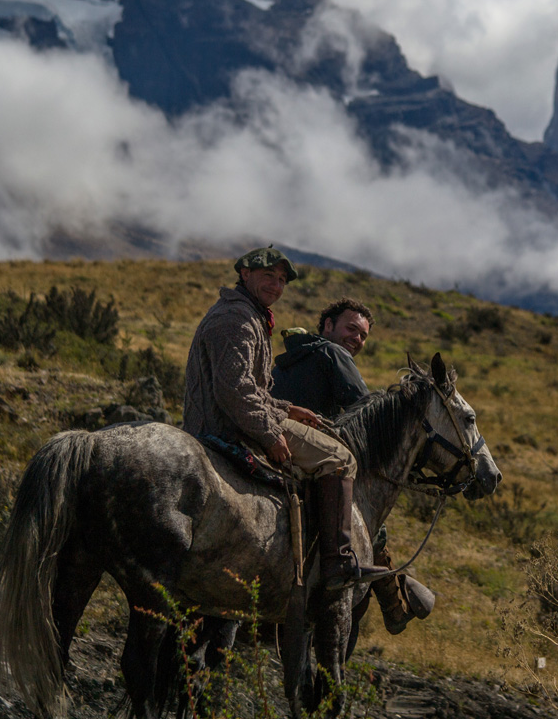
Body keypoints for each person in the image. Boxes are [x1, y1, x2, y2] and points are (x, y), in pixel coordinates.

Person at [183, 246, 387, 593]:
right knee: (340, 459)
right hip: (226, 425)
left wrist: (286, 409)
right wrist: (270, 434)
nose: (276, 286)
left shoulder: (248, 315)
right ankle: (337, 562)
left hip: (234, 416)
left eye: (281, 280)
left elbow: (250, 387)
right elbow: (234, 391)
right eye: (268, 276)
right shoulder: (236, 319)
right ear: (244, 274)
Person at [273, 298, 433, 635]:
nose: (357, 339)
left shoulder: (287, 360)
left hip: (275, 446)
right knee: (370, 527)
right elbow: (366, 420)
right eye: (351, 329)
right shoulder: (335, 355)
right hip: (315, 455)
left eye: (363, 336)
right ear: (327, 325)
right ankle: (394, 606)